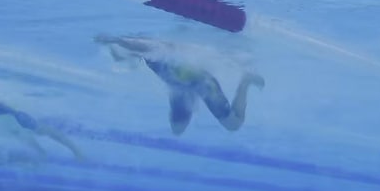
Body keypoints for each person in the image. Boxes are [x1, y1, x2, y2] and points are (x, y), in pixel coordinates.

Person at [94, 34, 264, 135]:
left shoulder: (159, 53)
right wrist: (115, 44)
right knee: (177, 129)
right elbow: (131, 48)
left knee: (233, 125)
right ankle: (190, 99)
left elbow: (135, 45)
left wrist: (115, 40)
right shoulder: (152, 55)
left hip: (202, 85)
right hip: (181, 88)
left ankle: (245, 81)